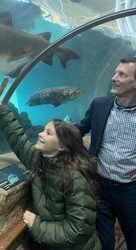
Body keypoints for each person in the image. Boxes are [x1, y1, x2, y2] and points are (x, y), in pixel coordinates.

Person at [0, 76, 101, 250]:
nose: (40, 134)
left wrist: (37, 225)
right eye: (43, 130)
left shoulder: (75, 179)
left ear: (62, 146)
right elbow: (18, 139)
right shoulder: (40, 159)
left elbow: (78, 229)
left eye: (48, 133)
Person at [75, 57, 136, 250]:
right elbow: (79, 129)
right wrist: (54, 133)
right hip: (101, 187)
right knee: (104, 243)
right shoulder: (99, 105)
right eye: (115, 72)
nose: (113, 77)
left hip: (130, 191)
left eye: (121, 74)